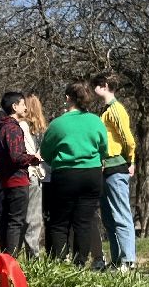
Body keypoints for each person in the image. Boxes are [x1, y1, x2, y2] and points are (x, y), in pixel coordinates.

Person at [40, 82, 108, 266]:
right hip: (92, 174)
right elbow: (104, 148)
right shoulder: (95, 121)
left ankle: (61, 262)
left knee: (60, 221)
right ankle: (80, 262)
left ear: (67, 98)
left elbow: (45, 152)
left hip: (66, 175)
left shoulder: (57, 124)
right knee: (84, 221)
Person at [92, 72, 137, 271]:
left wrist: (131, 160)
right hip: (104, 168)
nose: (92, 90)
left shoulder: (116, 109)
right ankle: (117, 259)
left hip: (117, 166)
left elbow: (127, 138)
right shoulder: (105, 111)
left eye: (95, 85)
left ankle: (129, 260)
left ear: (104, 86)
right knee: (109, 217)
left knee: (121, 214)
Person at [0, 90, 41, 253]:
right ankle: (11, 260)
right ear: (14, 106)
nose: (25, 108)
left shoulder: (3, 128)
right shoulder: (11, 128)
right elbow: (16, 156)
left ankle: (7, 258)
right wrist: (34, 158)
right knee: (16, 221)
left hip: (8, 181)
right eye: (22, 104)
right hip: (17, 181)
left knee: (9, 220)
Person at [17, 94, 48, 257]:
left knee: (27, 217)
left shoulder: (23, 127)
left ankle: (26, 253)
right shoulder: (38, 130)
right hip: (34, 174)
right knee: (33, 217)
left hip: (28, 175)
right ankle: (32, 254)